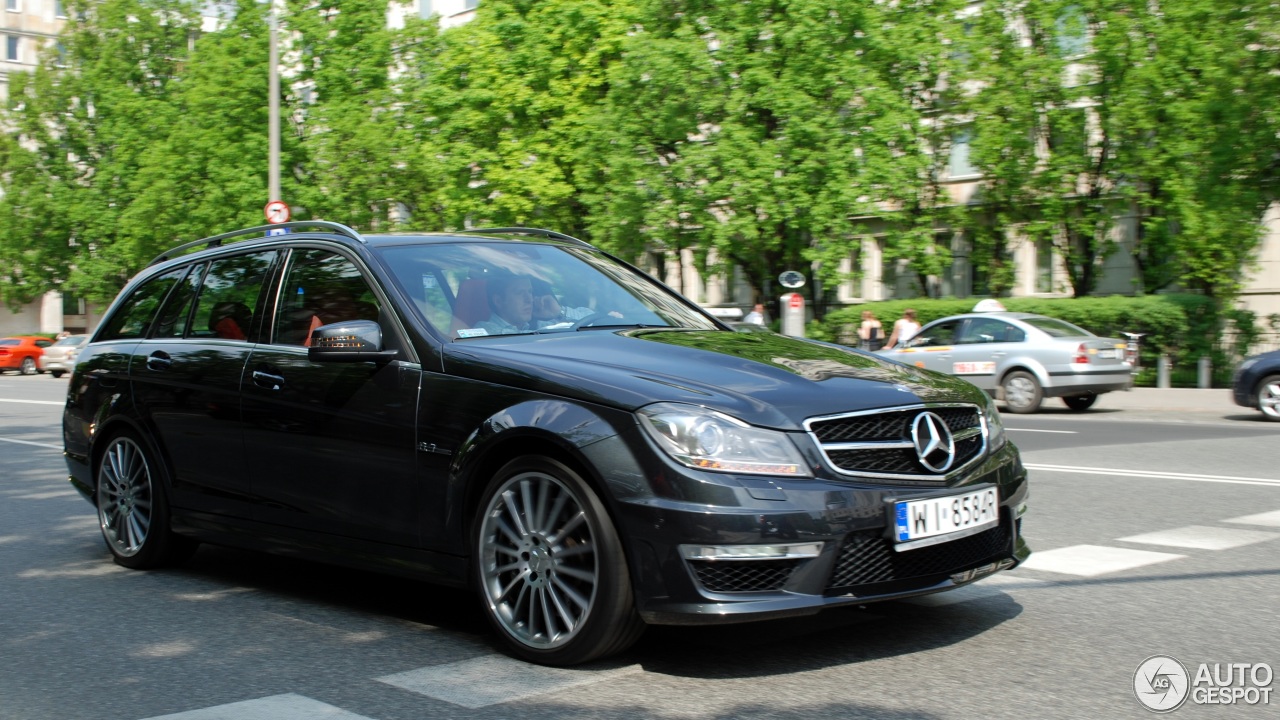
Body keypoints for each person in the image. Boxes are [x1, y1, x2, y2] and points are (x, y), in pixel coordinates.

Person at [531, 278, 595, 327]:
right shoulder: (537, 328)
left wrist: (560, 312)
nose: (529, 299)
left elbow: (597, 323)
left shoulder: (583, 311)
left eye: (530, 292)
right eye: (520, 293)